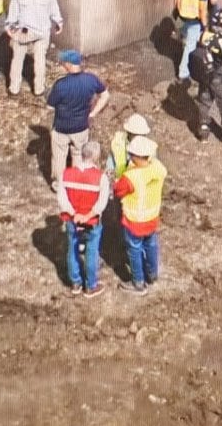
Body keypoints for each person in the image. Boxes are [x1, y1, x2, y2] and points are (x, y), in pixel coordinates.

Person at [46, 50, 110, 190]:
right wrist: (93, 113)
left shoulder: (61, 84)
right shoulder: (91, 79)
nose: (62, 65)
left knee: (59, 157)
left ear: (69, 65)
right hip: (81, 126)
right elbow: (105, 95)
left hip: (61, 127)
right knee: (78, 154)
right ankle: (75, 183)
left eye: (63, 63)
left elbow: (50, 106)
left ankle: (59, 185)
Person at [113, 136, 167, 295]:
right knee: (151, 245)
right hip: (152, 218)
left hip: (134, 221)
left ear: (137, 157)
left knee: (134, 250)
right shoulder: (158, 168)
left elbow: (118, 190)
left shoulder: (131, 177)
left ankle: (138, 283)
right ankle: (152, 273)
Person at [58, 140, 109, 298]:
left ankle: (75, 283)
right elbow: (102, 204)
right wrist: (87, 216)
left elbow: (62, 199)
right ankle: (91, 286)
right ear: (96, 157)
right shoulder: (101, 178)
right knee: (91, 251)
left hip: (73, 220)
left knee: (72, 249)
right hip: (91, 222)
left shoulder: (66, 174)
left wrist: (74, 215)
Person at [5, 0, 63, 98]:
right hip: (42, 31)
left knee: (17, 58)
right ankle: (39, 89)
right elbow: (55, 10)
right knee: (40, 59)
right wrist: (59, 23)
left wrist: (9, 27)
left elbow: (13, 14)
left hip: (24, 31)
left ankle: (14, 89)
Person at [189, 8, 222, 143]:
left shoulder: (203, 35)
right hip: (220, 78)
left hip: (205, 76)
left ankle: (203, 133)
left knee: (204, 103)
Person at [173, 0, 212, 80]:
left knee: (187, 29)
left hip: (182, 12)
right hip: (194, 17)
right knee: (191, 45)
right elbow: (202, 10)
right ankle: (183, 72)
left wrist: (177, 7)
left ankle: (181, 34)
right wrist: (205, 25)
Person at [108, 113, 155, 181]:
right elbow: (110, 168)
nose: (139, 138)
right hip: (121, 182)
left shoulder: (150, 148)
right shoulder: (118, 143)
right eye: (136, 135)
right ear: (129, 133)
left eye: (142, 135)